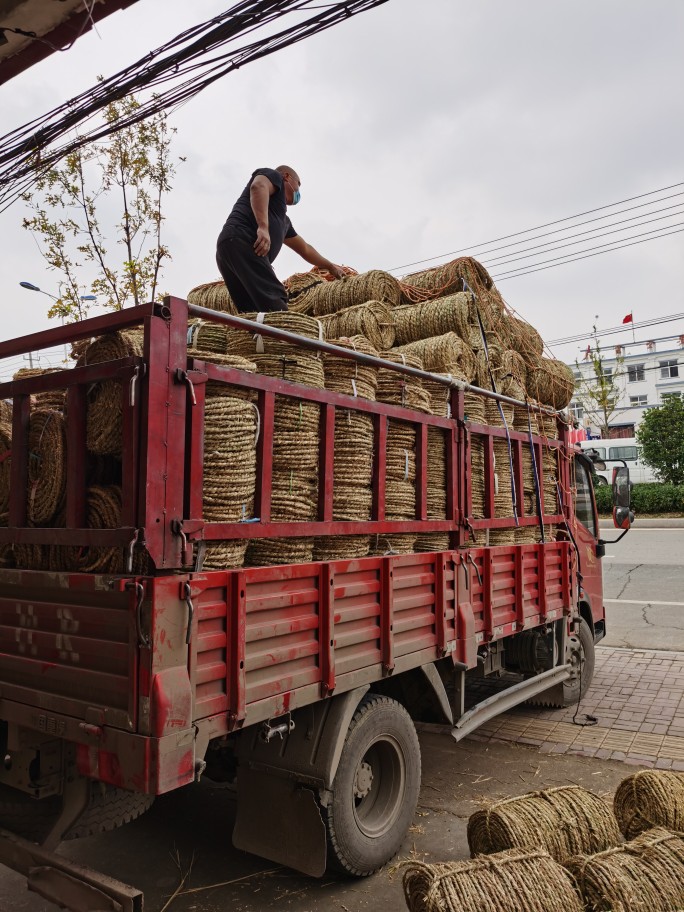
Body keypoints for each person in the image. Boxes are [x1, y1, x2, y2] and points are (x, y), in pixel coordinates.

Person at [216, 165, 345, 313]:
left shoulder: (283, 221)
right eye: (299, 184)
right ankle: (286, 334)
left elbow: (305, 249)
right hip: (243, 240)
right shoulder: (273, 175)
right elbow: (258, 186)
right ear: (287, 177)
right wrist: (263, 227)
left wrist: (330, 266)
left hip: (229, 249)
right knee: (275, 299)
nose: (298, 192)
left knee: (252, 311)